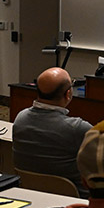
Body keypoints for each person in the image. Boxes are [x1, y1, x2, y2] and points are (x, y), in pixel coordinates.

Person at [12, 67, 92, 196]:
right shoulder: (77, 128)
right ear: (68, 94)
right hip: (73, 199)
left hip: (29, 192)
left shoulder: (20, 118)